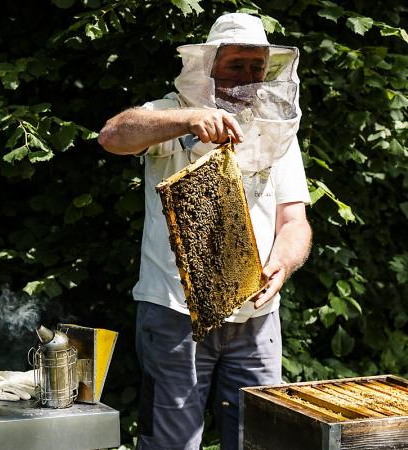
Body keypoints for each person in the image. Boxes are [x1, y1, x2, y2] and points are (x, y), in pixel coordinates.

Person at [98, 12, 312, 450]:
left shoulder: (278, 129)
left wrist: (282, 265)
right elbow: (113, 136)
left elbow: (295, 222)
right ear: (208, 65)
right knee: (172, 444)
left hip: (256, 316)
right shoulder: (170, 113)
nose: (248, 77)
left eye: (257, 67)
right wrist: (188, 120)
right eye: (236, 65)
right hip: (176, 313)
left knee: (261, 441)